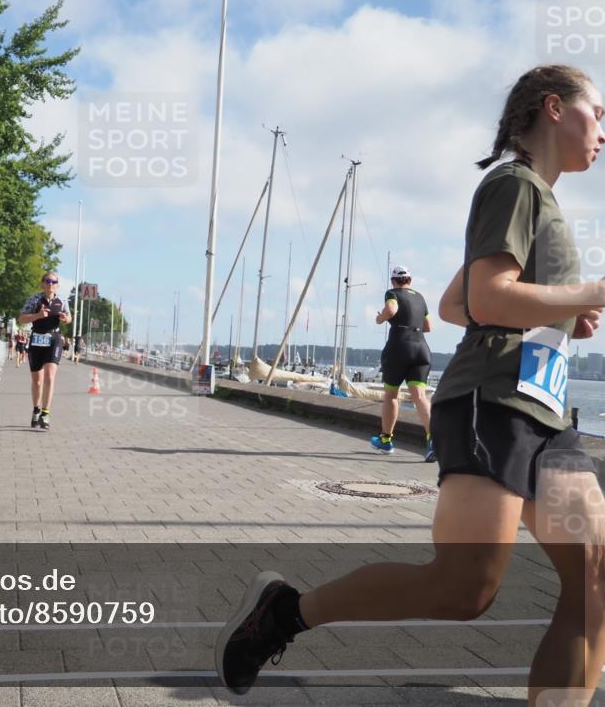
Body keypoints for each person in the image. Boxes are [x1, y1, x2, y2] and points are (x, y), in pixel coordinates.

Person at [216, 65, 605, 705]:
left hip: (547, 412)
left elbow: (456, 304)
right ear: (555, 108)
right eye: (598, 114)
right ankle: (284, 613)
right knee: (464, 589)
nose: (603, 133)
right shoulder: (513, 185)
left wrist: (564, 313)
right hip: (495, 404)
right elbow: (485, 297)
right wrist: (586, 293)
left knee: (596, 578)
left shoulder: (539, 197)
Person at [370, 265, 435, 460]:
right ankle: (433, 440)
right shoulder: (420, 297)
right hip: (421, 349)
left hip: (399, 347)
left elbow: (391, 309)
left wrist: (379, 318)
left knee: (392, 395)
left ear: (393, 281)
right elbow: (428, 326)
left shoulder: (393, 293)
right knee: (420, 396)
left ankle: (386, 440)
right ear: (410, 281)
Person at [19, 272, 71, 429]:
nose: (50, 284)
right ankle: (36, 409)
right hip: (37, 338)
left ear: (57, 285)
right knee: (37, 380)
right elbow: (21, 318)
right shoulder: (34, 299)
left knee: (50, 376)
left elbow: (69, 318)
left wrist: (65, 319)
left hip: (54, 338)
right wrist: (38, 315)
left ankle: (45, 413)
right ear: (42, 284)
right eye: (47, 281)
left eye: (53, 282)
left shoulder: (62, 300)